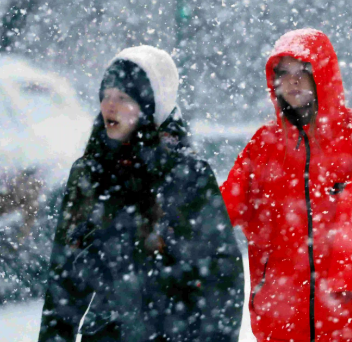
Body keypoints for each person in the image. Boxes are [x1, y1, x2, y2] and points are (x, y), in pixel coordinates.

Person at [38, 46, 243, 342]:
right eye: (106, 95)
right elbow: (65, 279)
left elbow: (221, 279)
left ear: (148, 105)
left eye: (123, 97)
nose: (110, 105)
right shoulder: (88, 173)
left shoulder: (187, 175)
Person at [221, 29, 352, 342]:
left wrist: (344, 276)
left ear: (323, 73)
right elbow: (222, 210)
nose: (293, 81)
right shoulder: (264, 146)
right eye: (284, 73)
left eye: (303, 72)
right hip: (281, 316)